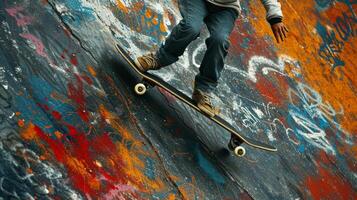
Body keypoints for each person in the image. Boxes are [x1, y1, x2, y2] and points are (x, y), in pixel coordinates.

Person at [135, 0, 288, 117]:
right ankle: (158, 59)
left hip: (226, 8)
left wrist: (276, 18)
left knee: (220, 40)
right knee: (191, 27)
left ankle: (203, 90)